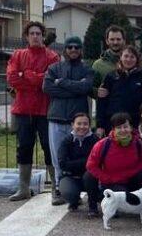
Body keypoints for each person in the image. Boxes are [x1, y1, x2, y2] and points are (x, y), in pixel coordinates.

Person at [6, 20, 60, 201]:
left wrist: (26, 74)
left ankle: (55, 189)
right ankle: (23, 188)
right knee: (24, 148)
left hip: (46, 111)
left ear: (43, 36)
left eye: (38, 33)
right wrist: (36, 79)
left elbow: (49, 82)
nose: (35, 36)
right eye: (32, 34)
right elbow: (12, 79)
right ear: (26, 36)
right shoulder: (18, 55)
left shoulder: (52, 57)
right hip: (23, 110)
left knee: (49, 148)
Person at [42, 35, 94, 205]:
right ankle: (58, 187)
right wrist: (75, 88)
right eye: (70, 47)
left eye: (76, 47)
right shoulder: (54, 68)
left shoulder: (87, 68)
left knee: (85, 155)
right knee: (57, 156)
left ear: (81, 50)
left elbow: (86, 87)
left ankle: (82, 186)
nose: (73, 50)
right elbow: (47, 88)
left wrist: (62, 82)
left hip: (80, 123)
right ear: (65, 50)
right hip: (57, 118)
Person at [85, 112, 142, 217]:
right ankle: (93, 206)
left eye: (126, 127)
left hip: (129, 180)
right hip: (109, 182)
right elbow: (91, 165)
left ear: (131, 127)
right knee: (88, 176)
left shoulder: (138, 144)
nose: (123, 130)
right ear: (113, 129)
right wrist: (106, 178)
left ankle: (140, 205)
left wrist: (130, 174)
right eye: (119, 127)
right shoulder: (103, 144)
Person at [96, 46, 142, 136]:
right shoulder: (111, 77)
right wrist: (100, 125)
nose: (128, 59)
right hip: (112, 123)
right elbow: (102, 102)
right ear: (121, 57)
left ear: (137, 59)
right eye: (126, 56)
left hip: (134, 124)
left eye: (132, 57)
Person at [57, 113, 98, 211]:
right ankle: (74, 201)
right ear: (72, 125)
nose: (82, 127)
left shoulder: (96, 140)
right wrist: (86, 161)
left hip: (90, 177)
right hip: (71, 176)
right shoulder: (66, 141)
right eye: (78, 124)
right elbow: (62, 164)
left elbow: (98, 162)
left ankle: (93, 206)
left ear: (89, 125)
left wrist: (72, 163)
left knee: (90, 176)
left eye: (85, 124)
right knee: (68, 192)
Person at [92, 25, 126, 94]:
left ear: (124, 41)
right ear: (107, 41)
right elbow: (90, 87)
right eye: (112, 39)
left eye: (118, 39)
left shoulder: (132, 62)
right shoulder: (98, 65)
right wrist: (96, 92)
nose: (115, 42)